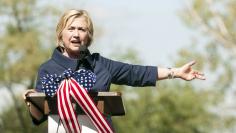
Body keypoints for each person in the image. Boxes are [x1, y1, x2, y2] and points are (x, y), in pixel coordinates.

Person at [23, 9, 205, 132]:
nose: (76, 34)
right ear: (61, 34)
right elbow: (38, 117)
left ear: (89, 36)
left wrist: (175, 72)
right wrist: (32, 100)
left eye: (82, 29)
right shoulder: (47, 69)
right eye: (71, 29)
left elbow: (136, 73)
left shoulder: (100, 64)